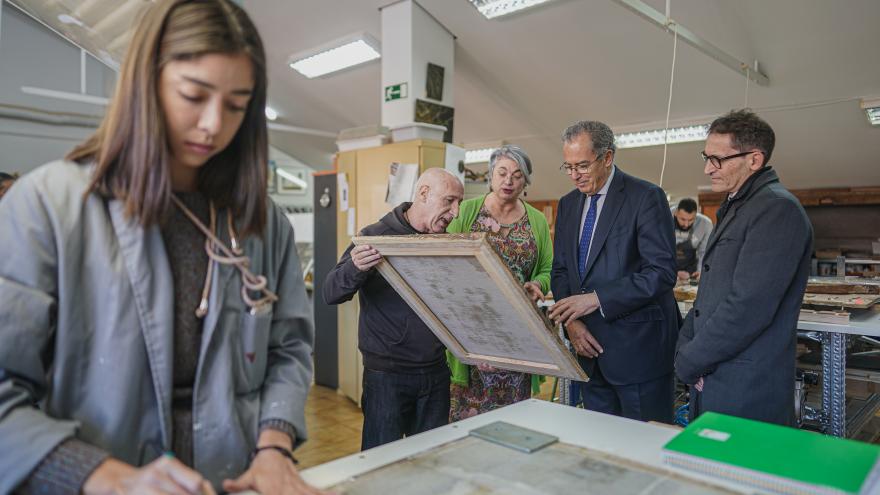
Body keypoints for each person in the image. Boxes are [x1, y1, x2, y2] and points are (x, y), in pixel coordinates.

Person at [0, 1, 321, 494]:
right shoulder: (46, 206)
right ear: (144, 83)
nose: (214, 124)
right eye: (194, 95)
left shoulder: (261, 224)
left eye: (237, 105)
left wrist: (274, 444)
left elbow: (288, 349)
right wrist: (98, 475)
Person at [675, 110, 813, 426]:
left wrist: (691, 359)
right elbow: (710, 294)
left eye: (718, 159)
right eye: (706, 157)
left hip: (744, 385)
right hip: (714, 371)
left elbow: (749, 305)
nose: (708, 168)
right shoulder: (740, 205)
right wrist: (686, 349)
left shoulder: (777, 209)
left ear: (754, 160)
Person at [323, 168, 464, 450]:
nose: (456, 212)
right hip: (387, 377)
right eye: (449, 201)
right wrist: (355, 267)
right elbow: (331, 292)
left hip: (436, 373)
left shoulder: (447, 242)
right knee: (379, 462)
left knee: (431, 462)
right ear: (423, 194)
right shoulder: (376, 236)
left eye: (458, 203)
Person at [548, 120, 679, 423]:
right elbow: (561, 270)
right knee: (602, 446)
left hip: (638, 355)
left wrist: (596, 299)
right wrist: (573, 323)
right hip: (587, 350)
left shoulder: (645, 197)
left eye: (581, 165)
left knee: (646, 449)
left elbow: (660, 272)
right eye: (567, 167)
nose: (574, 176)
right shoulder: (568, 204)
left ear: (607, 157)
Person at [445, 145, 552, 421]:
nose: (508, 181)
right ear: (491, 176)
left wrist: (537, 284)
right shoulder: (467, 211)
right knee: (466, 417)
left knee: (513, 417)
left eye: (517, 175)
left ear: (525, 182)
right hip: (470, 328)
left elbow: (547, 268)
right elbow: (446, 261)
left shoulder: (537, 221)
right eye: (502, 173)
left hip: (515, 332)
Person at [671, 198, 713, 282]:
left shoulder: (705, 224)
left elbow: (704, 251)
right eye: (682, 219)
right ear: (676, 213)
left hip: (690, 270)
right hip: (668, 268)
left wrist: (701, 271)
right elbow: (658, 249)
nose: (686, 224)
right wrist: (672, 272)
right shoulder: (664, 217)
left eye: (691, 220)